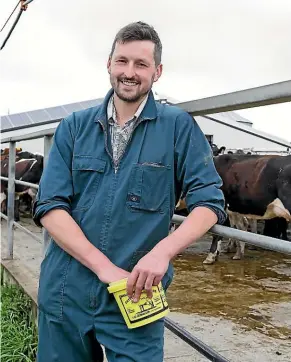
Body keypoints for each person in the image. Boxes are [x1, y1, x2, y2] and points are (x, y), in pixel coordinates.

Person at [33, 21, 226, 362]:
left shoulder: (178, 126)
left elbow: (209, 202)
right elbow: (50, 206)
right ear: (109, 64)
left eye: (141, 64)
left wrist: (162, 252)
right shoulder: (74, 127)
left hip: (138, 292)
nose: (129, 72)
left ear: (158, 71)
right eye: (122, 61)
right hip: (66, 287)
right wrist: (103, 267)